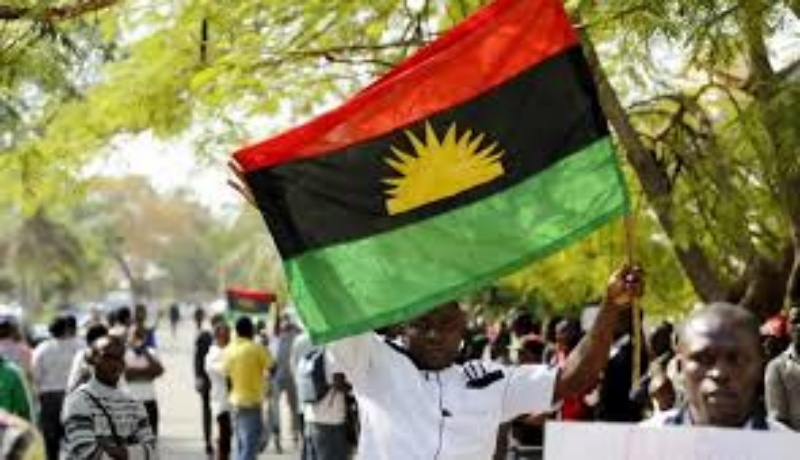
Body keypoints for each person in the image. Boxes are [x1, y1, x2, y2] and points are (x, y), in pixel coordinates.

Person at [326, 266, 643, 459]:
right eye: (422, 324)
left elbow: (574, 378)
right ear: (400, 327)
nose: (435, 334)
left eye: (447, 324)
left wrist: (611, 305)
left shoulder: (489, 380)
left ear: (462, 329)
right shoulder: (372, 360)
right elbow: (328, 303)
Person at [642, 302, 786, 429]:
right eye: (704, 359)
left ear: (760, 367)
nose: (720, 373)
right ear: (680, 367)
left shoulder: (788, 447)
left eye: (736, 359)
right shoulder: (642, 442)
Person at [62, 333, 157, 459]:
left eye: (119, 358)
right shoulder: (78, 400)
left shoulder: (133, 403)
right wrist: (132, 453)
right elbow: (88, 453)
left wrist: (110, 450)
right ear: (93, 359)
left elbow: (151, 451)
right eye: (107, 357)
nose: (114, 363)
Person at [31, 315, 82, 460]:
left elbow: (35, 375)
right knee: (73, 438)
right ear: (66, 329)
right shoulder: (78, 347)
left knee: (51, 441)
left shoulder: (41, 349)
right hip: (72, 396)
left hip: (49, 398)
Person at [224, 316, 273, 460]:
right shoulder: (256, 348)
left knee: (240, 445)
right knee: (250, 448)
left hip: (234, 403)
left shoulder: (229, 350)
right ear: (251, 331)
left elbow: (227, 378)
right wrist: (265, 347)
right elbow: (273, 367)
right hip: (251, 403)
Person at [764, 303, 800, 430]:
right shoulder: (777, 367)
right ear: (788, 328)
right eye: (795, 321)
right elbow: (777, 421)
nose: (799, 326)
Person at [124, 324, 164, 436]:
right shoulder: (124, 353)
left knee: (151, 435)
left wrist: (145, 354)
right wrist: (146, 373)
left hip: (149, 399)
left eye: (140, 335)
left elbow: (159, 370)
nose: (137, 338)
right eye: (134, 335)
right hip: (130, 401)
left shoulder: (151, 352)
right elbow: (126, 374)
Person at [206, 320, 233, 460]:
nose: (228, 338)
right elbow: (226, 371)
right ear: (217, 336)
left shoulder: (230, 350)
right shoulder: (213, 354)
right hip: (221, 402)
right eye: (224, 335)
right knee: (223, 439)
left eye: (228, 334)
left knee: (227, 438)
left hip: (233, 402)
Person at [194, 307, 215, 455]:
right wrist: (198, 377)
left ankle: (221, 439)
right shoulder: (204, 337)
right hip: (207, 380)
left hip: (221, 382)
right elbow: (197, 359)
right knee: (207, 410)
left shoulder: (228, 336)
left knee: (222, 413)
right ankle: (208, 441)